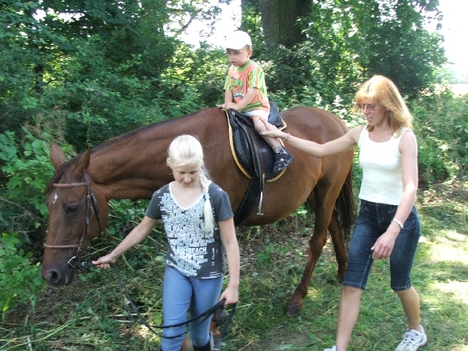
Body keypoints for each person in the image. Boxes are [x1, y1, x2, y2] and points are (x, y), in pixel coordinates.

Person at [261, 75, 426, 351]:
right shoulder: (360, 133)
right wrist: (283, 136)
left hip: (401, 220)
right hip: (369, 217)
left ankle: (415, 330)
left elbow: (410, 188)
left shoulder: (405, 138)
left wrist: (392, 231)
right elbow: (322, 149)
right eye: (363, 106)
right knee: (352, 285)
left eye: (371, 106)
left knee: (400, 284)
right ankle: (340, 348)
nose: (365, 112)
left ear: (387, 106)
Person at [93, 135, 240, 351]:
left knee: (200, 336)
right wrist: (113, 254)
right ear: (170, 166)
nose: (188, 178)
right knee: (171, 333)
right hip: (177, 270)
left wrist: (233, 285)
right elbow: (141, 229)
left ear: (201, 165)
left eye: (193, 171)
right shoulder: (162, 196)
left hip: (208, 274)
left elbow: (230, 242)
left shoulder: (216, 196)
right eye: (182, 172)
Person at [219, 30, 293, 175]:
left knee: (259, 125)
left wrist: (238, 105)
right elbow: (228, 88)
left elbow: (253, 90)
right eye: (229, 53)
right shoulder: (232, 69)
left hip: (256, 107)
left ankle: (280, 151)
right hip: (240, 108)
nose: (232, 57)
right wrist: (227, 105)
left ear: (249, 53)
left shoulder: (254, 69)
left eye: (237, 53)